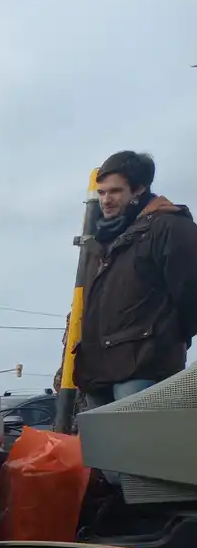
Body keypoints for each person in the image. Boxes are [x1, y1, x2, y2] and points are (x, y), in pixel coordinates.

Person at [74, 151, 197, 410]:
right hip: (98, 374)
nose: (105, 200)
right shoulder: (104, 240)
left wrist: (166, 342)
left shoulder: (169, 227)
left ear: (139, 189)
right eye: (101, 192)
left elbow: (191, 293)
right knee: (103, 439)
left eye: (115, 191)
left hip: (143, 368)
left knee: (139, 436)